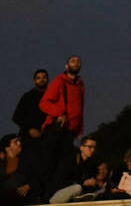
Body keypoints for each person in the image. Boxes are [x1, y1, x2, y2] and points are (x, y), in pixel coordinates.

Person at [38, 56, 85, 190]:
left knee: (66, 165)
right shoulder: (59, 81)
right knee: (51, 162)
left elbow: (80, 107)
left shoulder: (80, 85)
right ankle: (45, 193)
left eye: (78, 61)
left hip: (69, 131)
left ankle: (56, 193)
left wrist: (80, 129)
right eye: (72, 61)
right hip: (56, 129)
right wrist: (59, 112)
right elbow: (43, 103)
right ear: (66, 66)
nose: (76, 63)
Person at [1, 134, 37, 206]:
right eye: (15, 142)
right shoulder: (2, 164)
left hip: (27, 201)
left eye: (19, 141)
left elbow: (38, 176)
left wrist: (29, 185)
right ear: (7, 148)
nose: (19, 143)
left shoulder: (26, 160)